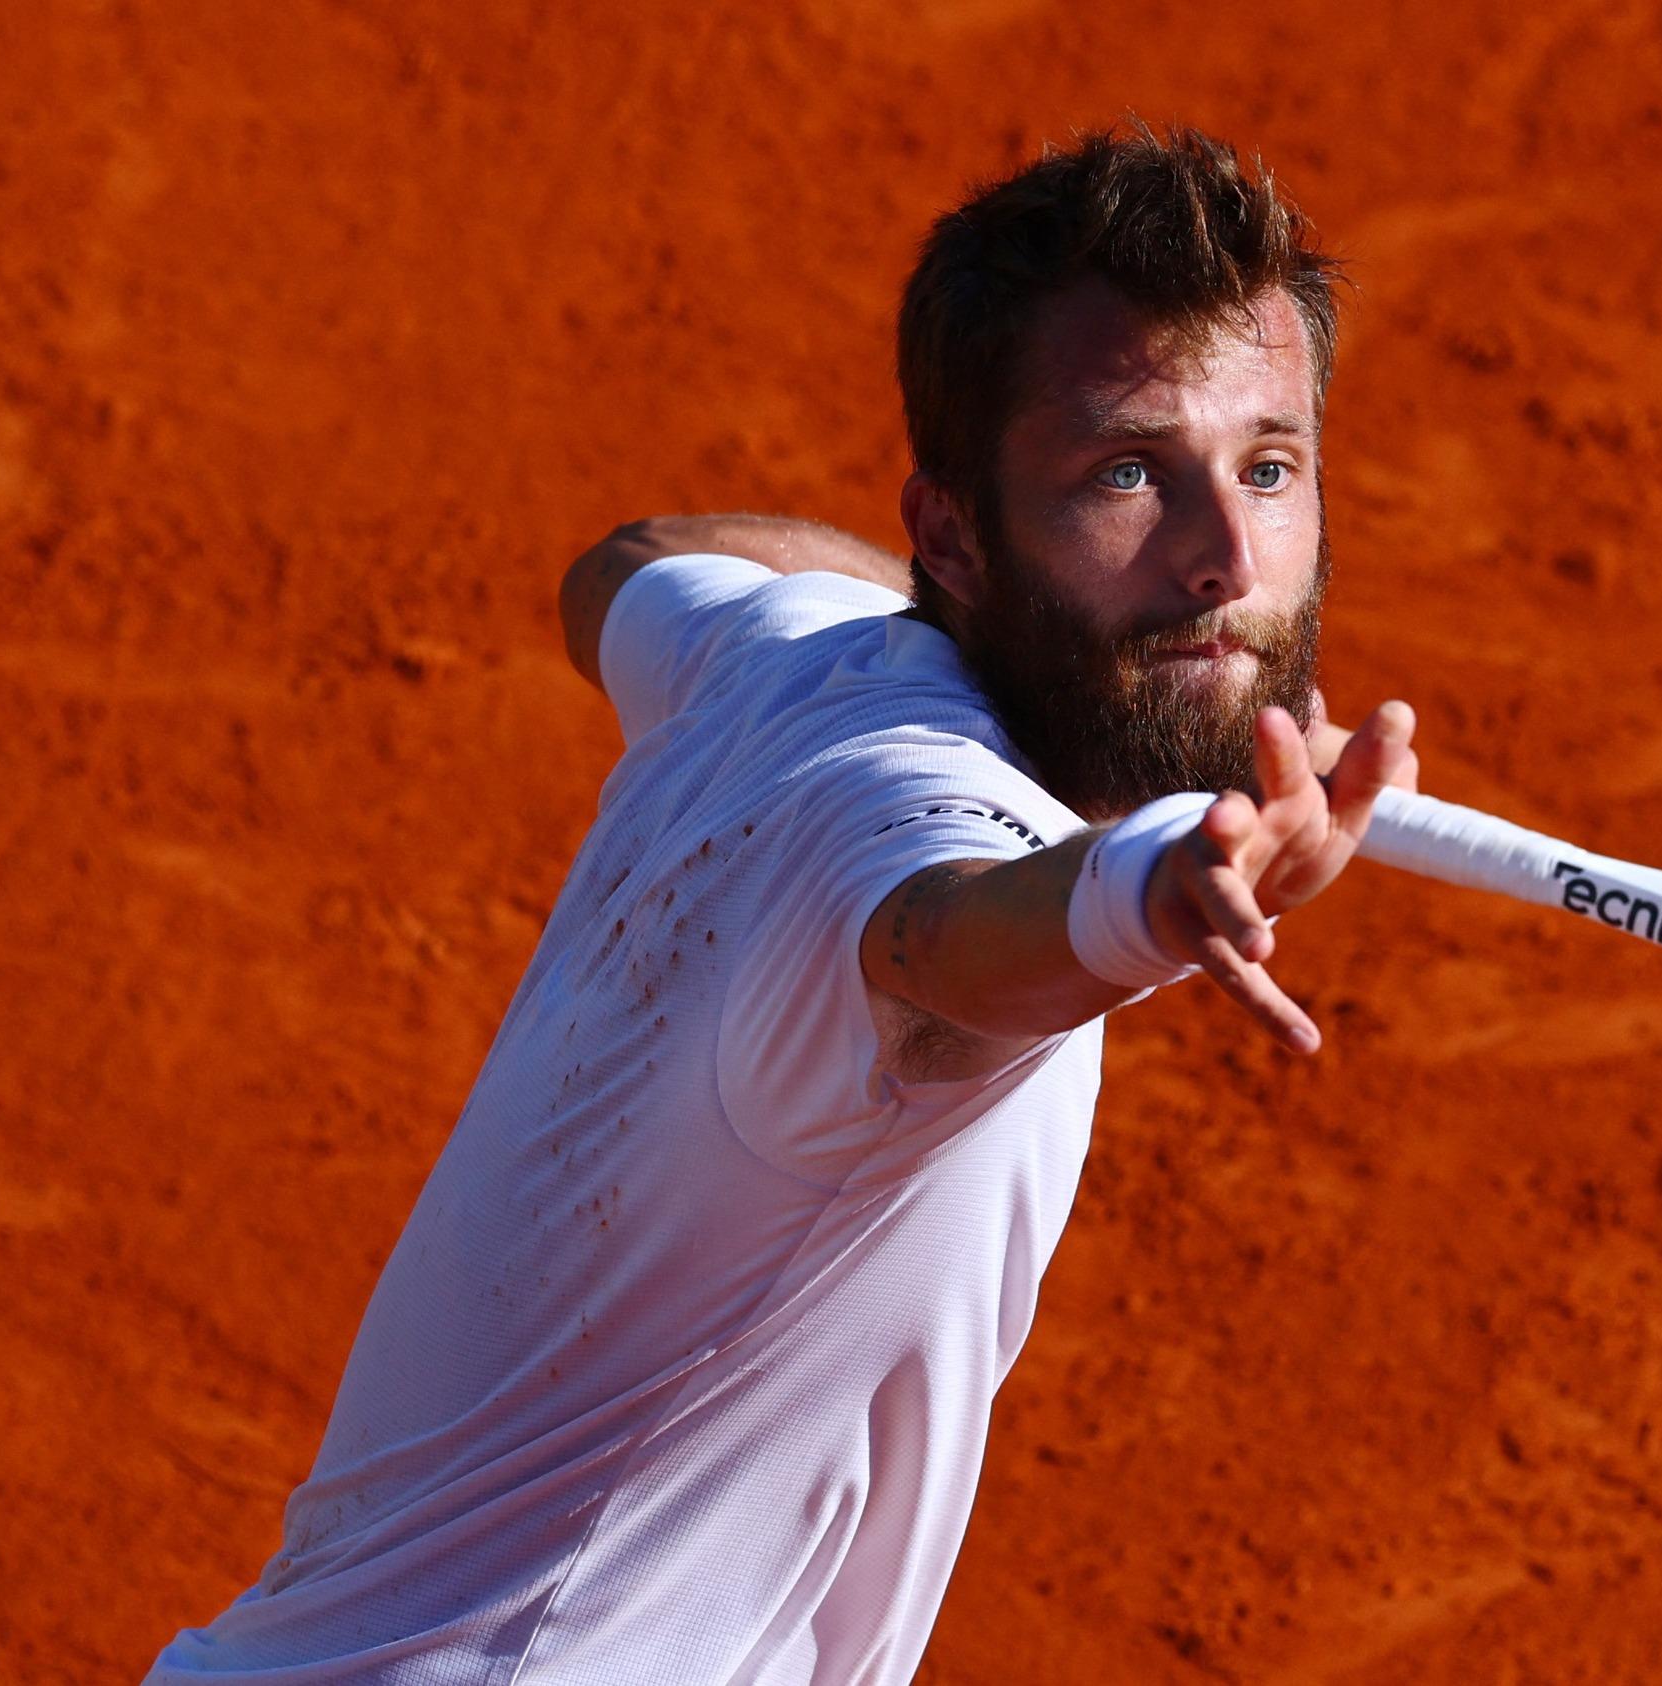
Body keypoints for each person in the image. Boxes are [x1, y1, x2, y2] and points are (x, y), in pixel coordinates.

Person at [146, 123, 1418, 1684]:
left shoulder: (784, 661)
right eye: (1127, 474)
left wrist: (969, 623)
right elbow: (952, 941)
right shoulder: (908, 815)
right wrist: (1148, 896)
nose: (1225, 559)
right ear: (952, 529)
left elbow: (632, 564)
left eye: (1268, 466)